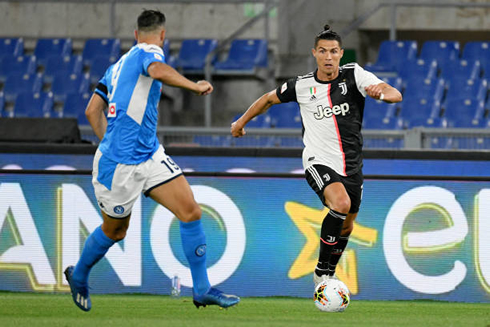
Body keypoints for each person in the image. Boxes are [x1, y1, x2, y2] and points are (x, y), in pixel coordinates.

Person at [64, 9, 240, 311]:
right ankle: (78, 274)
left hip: (149, 155)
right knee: (115, 230)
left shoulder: (117, 66)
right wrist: (194, 85)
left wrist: (108, 140)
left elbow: (92, 111)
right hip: (118, 167)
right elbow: (157, 70)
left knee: (190, 211)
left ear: (135, 34)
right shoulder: (149, 53)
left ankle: (201, 289)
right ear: (162, 35)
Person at [231, 24, 402, 286]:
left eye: (333, 51)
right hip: (317, 160)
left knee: (347, 225)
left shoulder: (354, 74)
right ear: (315, 53)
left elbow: (394, 92)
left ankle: (329, 272)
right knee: (341, 205)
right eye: (323, 51)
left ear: (341, 53)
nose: (328, 57)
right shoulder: (301, 86)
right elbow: (267, 99)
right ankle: (322, 271)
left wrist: (384, 94)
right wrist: (241, 122)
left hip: (352, 164)